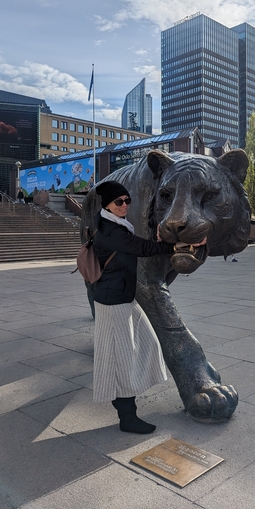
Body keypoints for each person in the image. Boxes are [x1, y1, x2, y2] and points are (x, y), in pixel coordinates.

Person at [91, 181, 179, 434]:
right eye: (118, 202)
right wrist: (174, 246)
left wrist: (160, 240)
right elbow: (140, 248)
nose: (124, 206)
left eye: (127, 201)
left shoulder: (118, 226)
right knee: (121, 359)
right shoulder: (110, 230)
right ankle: (127, 415)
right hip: (113, 300)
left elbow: (137, 243)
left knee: (148, 342)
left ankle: (127, 393)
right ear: (107, 204)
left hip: (123, 296)